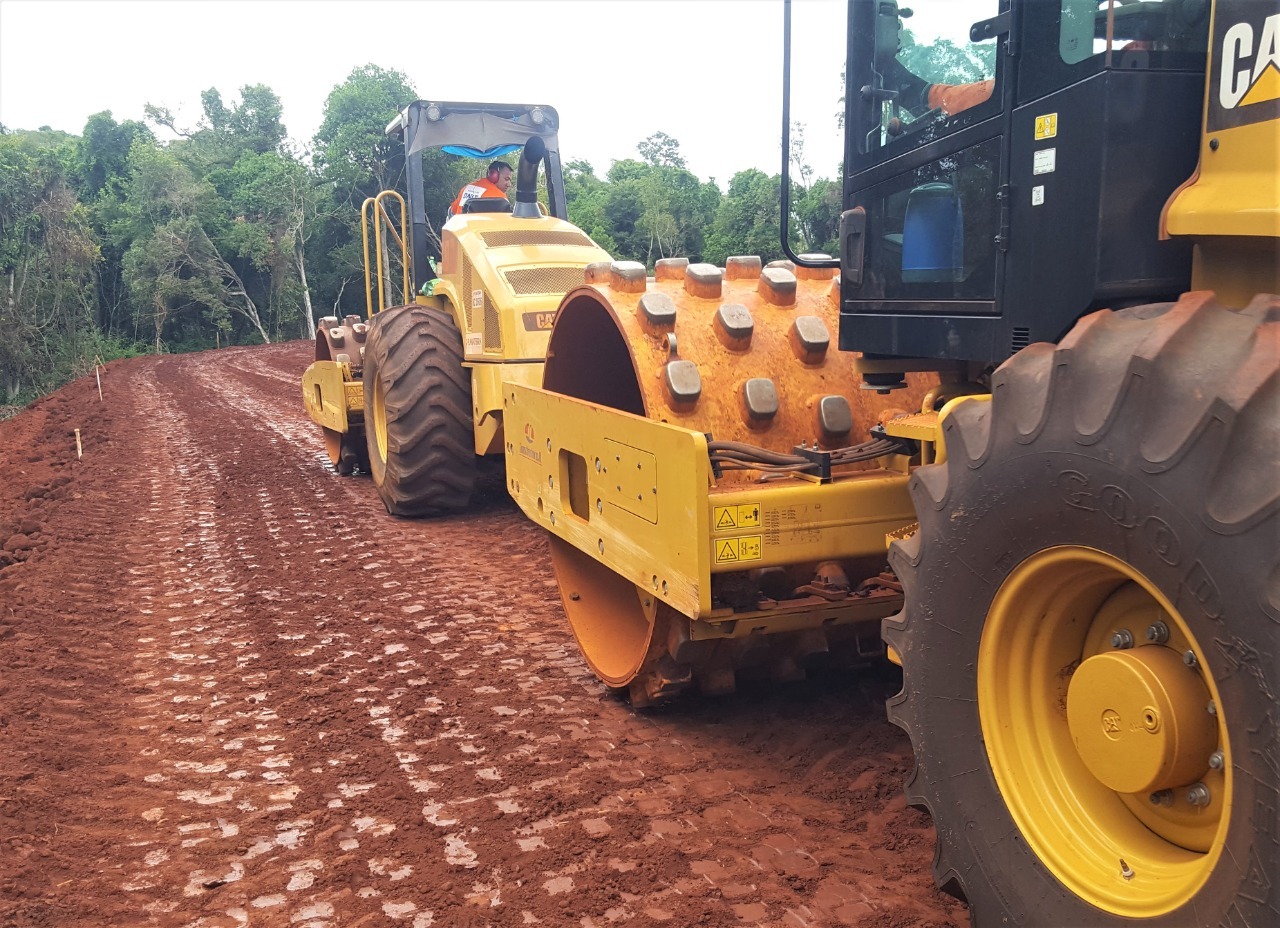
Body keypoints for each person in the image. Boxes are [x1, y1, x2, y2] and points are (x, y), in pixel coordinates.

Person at [449, 161, 513, 216]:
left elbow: (452, 211)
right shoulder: (501, 198)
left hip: (461, 229)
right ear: (494, 175)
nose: (509, 184)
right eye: (506, 179)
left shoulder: (465, 188)